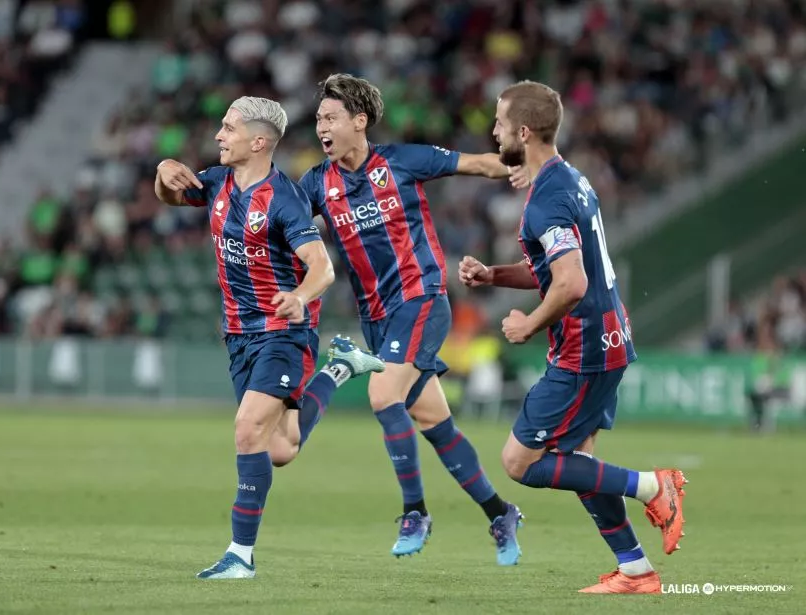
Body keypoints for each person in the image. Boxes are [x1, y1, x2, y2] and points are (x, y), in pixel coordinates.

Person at [458, 80, 687, 594]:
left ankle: (655, 486)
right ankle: (635, 569)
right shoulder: (569, 181)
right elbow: (557, 266)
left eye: (498, 123)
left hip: (584, 348)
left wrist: (528, 323)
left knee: (522, 462)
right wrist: (495, 275)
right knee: (576, 462)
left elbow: (571, 283)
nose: (492, 131)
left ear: (522, 130)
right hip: (606, 338)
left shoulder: (548, 200)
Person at [155, 96, 385, 580]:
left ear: (258, 142)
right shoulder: (218, 182)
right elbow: (171, 195)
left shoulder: (283, 199)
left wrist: (299, 296)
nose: (219, 135)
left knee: (246, 429)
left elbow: (321, 268)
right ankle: (342, 367)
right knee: (279, 449)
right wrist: (165, 168)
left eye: (228, 128)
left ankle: (241, 556)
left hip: (284, 332)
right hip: (239, 335)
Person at [299, 74, 524, 565]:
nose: (322, 126)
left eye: (331, 117)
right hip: (378, 318)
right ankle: (499, 511)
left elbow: (480, 164)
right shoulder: (317, 184)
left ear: (359, 122)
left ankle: (415, 511)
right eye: (318, 118)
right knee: (433, 422)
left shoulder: (400, 161)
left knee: (383, 395)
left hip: (420, 299)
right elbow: (280, 219)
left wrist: (531, 165)